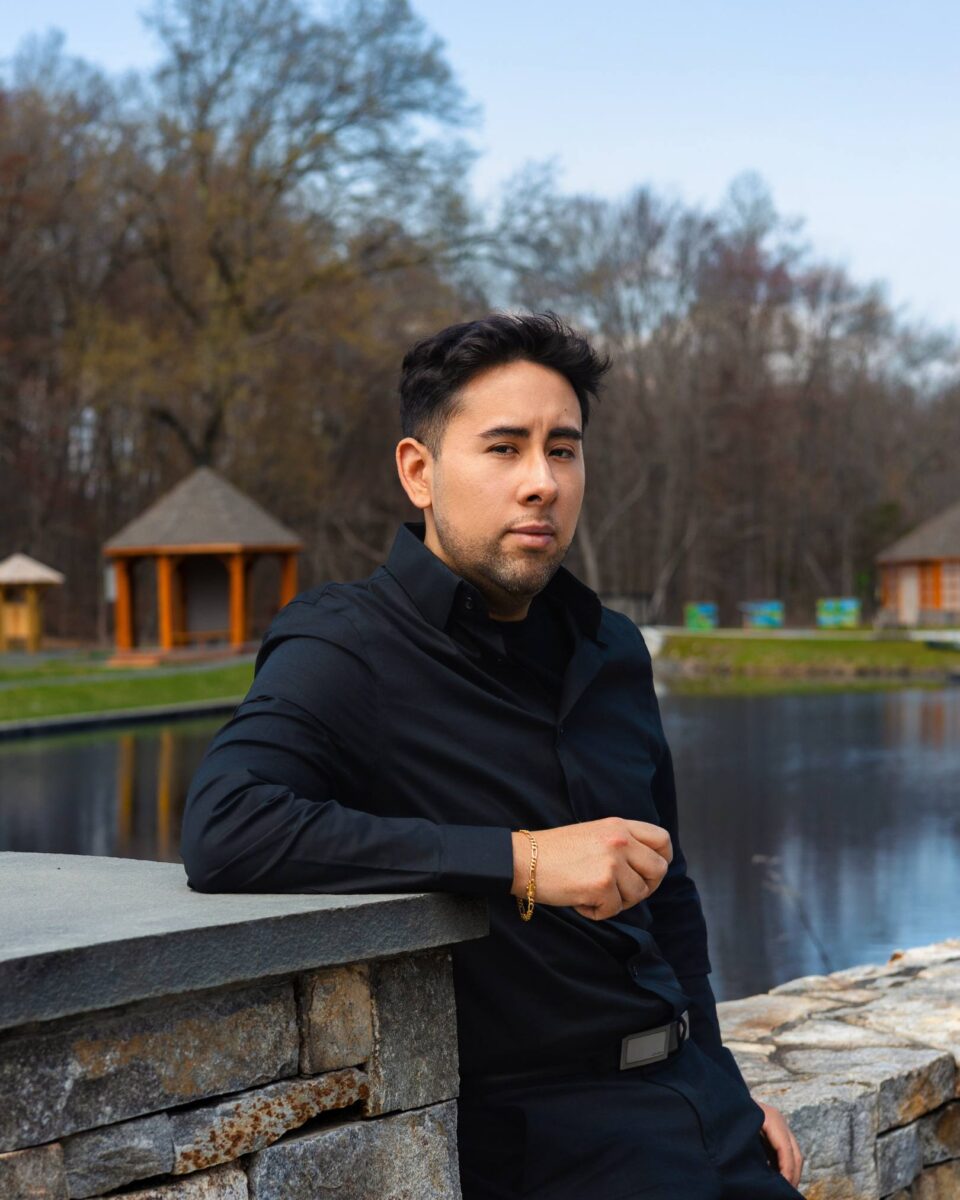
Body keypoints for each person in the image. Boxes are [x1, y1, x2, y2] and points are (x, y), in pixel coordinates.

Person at [181, 312, 805, 1199]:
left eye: (563, 450)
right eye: (504, 448)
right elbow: (226, 826)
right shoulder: (347, 644)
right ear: (419, 472)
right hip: (543, 1145)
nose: (541, 483)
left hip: (695, 1109)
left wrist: (723, 1081)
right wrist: (522, 860)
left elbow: (670, 894)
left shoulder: (613, 649)